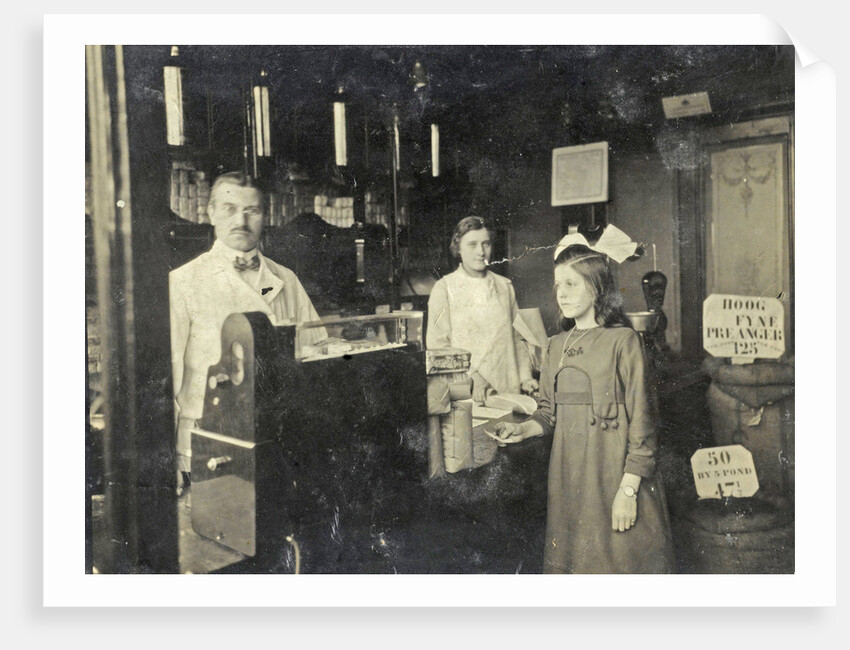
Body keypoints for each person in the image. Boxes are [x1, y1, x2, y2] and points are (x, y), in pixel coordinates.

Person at [495, 230, 674, 574]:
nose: (561, 294)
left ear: (595, 286)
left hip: (616, 481)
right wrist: (522, 431)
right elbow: (548, 413)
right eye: (558, 285)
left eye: (571, 285)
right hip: (570, 484)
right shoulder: (555, 346)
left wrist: (629, 491)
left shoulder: (624, 342)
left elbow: (644, 423)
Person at [169, 172, 326, 487]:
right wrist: (168, 461)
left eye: (251, 210)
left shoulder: (287, 280)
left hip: (276, 441)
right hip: (206, 445)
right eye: (229, 208)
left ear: (264, 216)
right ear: (210, 212)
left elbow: (316, 355)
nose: (241, 219)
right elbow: (167, 378)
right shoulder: (183, 282)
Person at [426, 216, 537, 402]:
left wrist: (525, 377)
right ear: (458, 247)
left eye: (486, 244)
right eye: (472, 244)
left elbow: (518, 339)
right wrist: (473, 377)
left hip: (508, 388)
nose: (480, 252)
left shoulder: (504, 286)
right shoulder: (444, 288)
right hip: (467, 392)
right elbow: (438, 348)